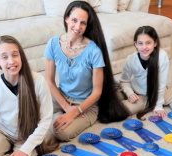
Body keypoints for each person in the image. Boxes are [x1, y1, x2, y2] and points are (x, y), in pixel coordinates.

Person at [44, 1, 129, 141]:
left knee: (60, 132)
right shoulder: (53, 44)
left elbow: (96, 92)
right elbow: (49, 81)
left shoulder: (94, 51)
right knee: (29, 112)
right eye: (74, 20)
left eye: (83, 23)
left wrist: (75, 111)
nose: (78, 27)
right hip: (61, 96)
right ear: (66, 19)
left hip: (86, 104)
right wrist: (66, 108)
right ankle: (57, 114)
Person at [119, 26, 170, 120]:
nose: (144, 47)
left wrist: (158, 106)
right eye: (140, 43)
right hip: (136, 91)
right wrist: (130, 94)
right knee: (111, 98)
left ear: (155, 43)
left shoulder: (162, 57)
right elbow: (124, 81)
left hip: (150, 95)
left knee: (121, 111)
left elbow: (161, 84)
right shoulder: (130, 60)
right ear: (135, 44)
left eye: (148, 43)